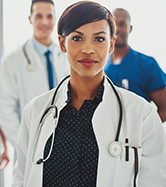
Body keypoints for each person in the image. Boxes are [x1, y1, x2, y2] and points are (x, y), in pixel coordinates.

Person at [12, 1, 166, 187]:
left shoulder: (141, 114)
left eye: (99, 39)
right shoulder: (35, 112)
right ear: (62, 43)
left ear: (111, 44)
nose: (88, 49)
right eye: (77, 38)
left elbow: (155, 181)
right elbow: (20, 179)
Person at [0, 0, 69, 150]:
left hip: (63, 142)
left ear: (55, 20)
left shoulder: (64, 56)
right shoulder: (12, 60)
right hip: (29, 144)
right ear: (30, 19)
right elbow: (5, 109)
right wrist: (25, 143)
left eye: (49, 16)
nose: (44, 21)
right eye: (39, 16)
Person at [104, 8, 166, 122]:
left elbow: (164, 109)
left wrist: (144, 131)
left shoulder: (147, 64)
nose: (117, 29)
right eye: (113, 24)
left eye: (122, 24)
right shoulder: (99, 67)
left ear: (130, 28)